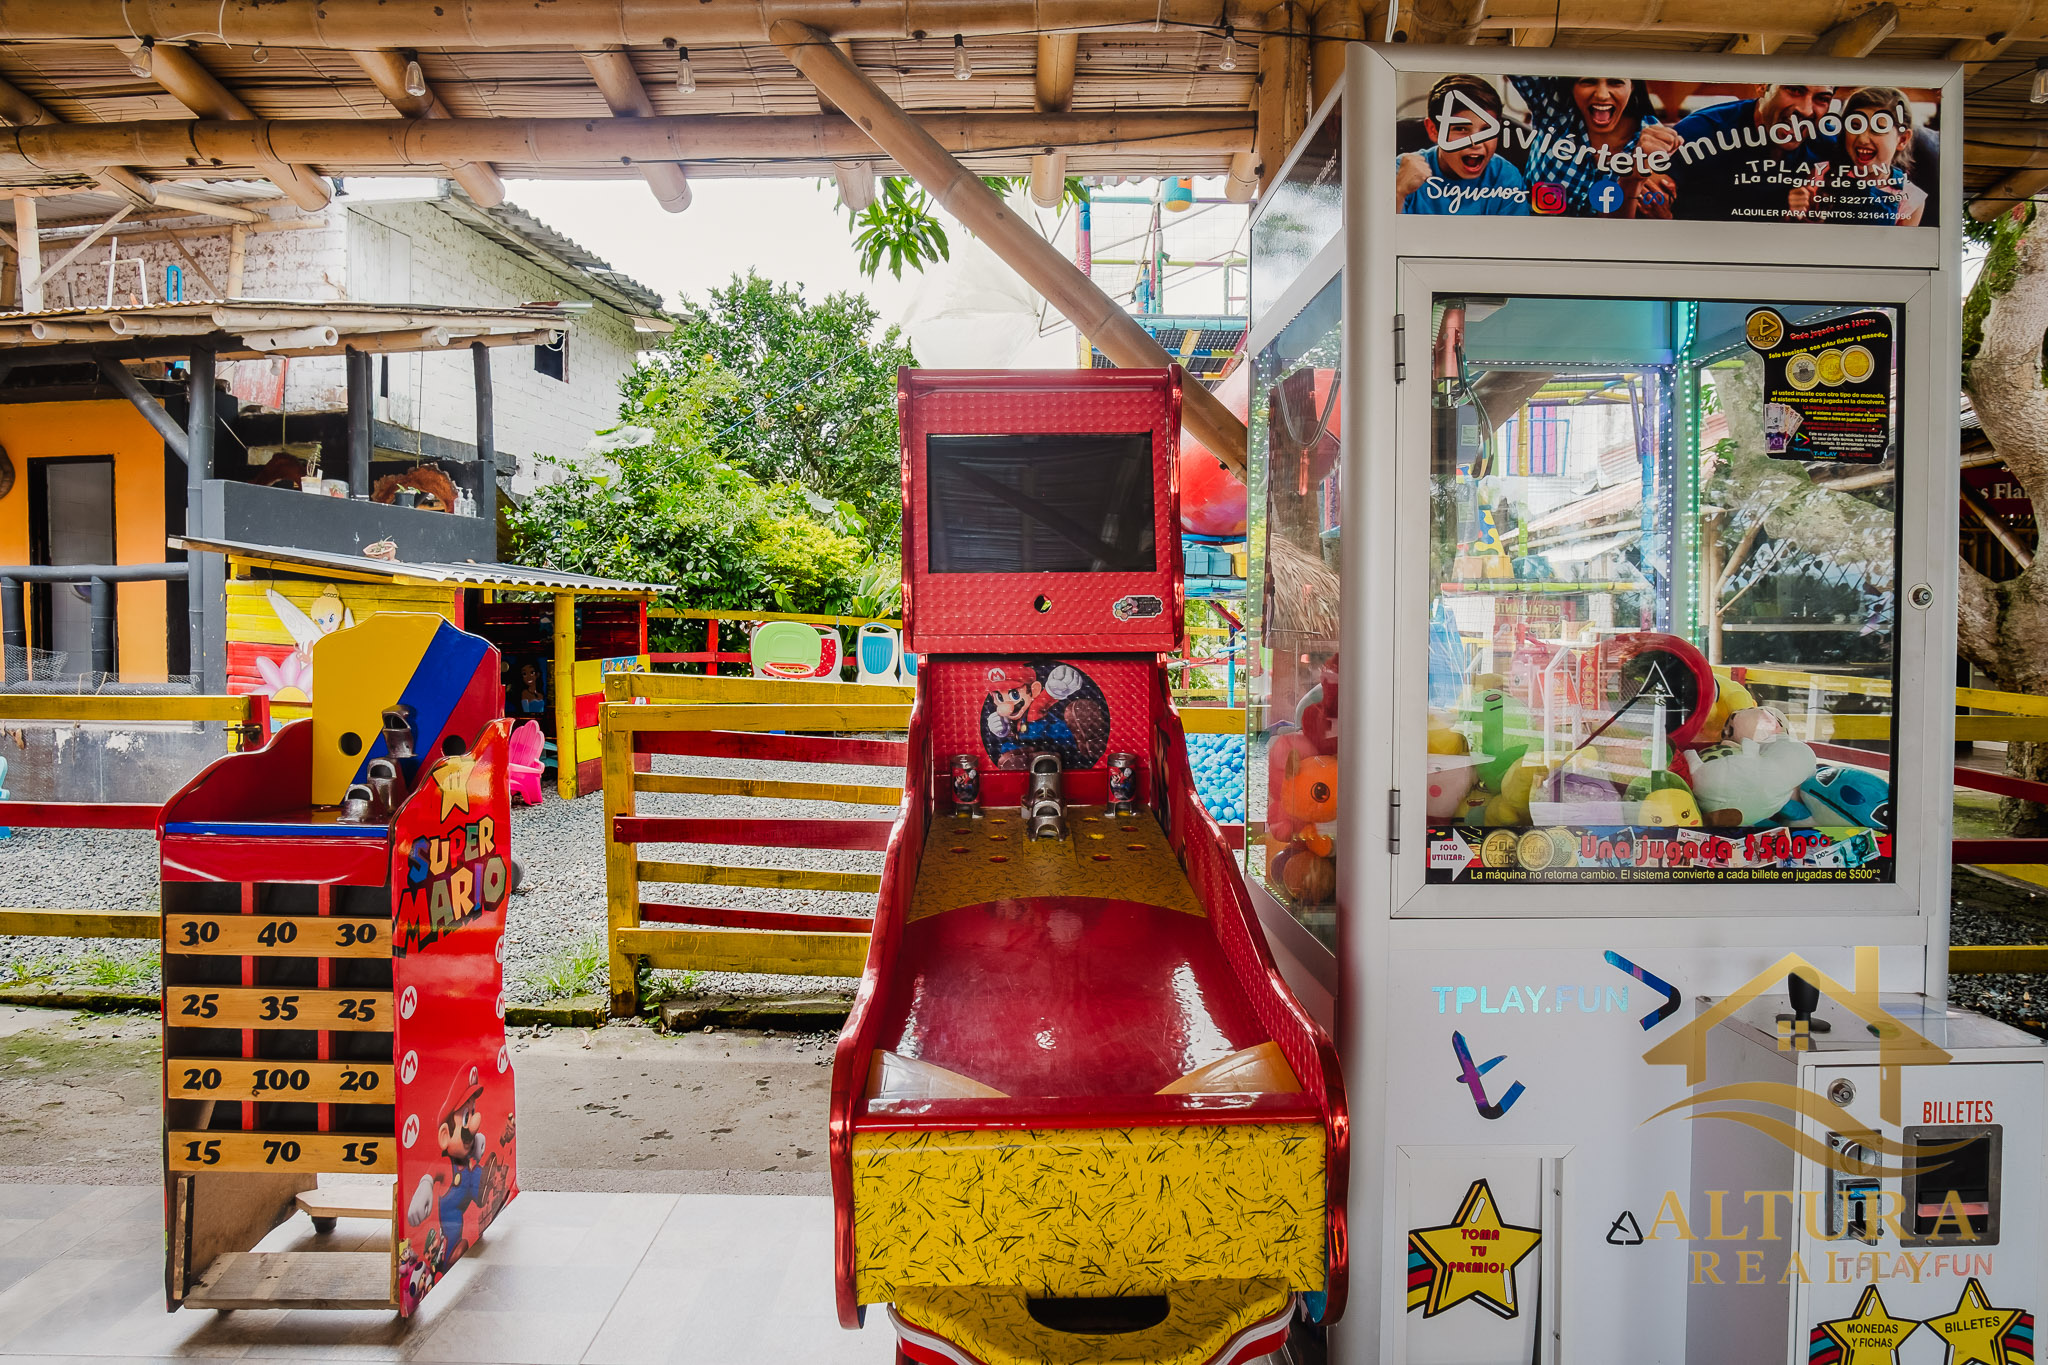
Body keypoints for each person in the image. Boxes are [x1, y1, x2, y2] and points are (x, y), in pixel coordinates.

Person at [1509, 76, 1683, 216]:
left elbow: (1622, 232)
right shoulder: (1553, 107)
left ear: (1633, 86)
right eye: (1588, 81)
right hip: (1532, 239)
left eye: (1616, 82)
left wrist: (1634, 178)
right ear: (1572, 86)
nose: (1602, 94)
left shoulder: (1655, 142)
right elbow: (1512, 53)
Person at [1663, 84, 1837, 221]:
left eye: (1821, 98)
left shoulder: (1830, 141)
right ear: (1762, 86)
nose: (1806, 109)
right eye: (1794, 90)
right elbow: (1652, 200)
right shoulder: (1701, 131)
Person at [1396, 74, 1531, 216]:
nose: (1475, 142)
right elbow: (1381, 233)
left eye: (1486, 130)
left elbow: (1514, 236)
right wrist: (1399, 192)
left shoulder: (1506, 177)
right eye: (1461, 129)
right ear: (1434, 130)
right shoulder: (1402, 171)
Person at [1802, 86, 1926, 226]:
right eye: (1855, 126)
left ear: (1902, 139)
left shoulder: (1912, 199)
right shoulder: (1820, 174)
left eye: (1878, 129)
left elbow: (1900, 247)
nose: (1862, 139)